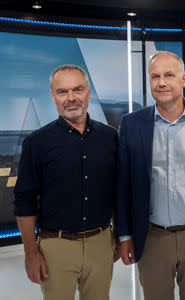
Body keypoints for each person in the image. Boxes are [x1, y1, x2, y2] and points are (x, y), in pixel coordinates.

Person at [115, 50, 185, 300]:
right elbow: (123, 184)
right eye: (155, 76)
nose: (161, 82)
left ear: (184, 79)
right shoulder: (132, 124)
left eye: (169, 75)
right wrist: (124, 235)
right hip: (152, 237)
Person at [14, 64, 118, 300]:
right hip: (55, 247)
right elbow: (24, 201)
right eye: (62, 92)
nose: (71, 98)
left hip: (101, 244)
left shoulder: (110, 136)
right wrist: (31, 253)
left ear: (88, 92)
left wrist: (121, 237)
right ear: (53, 96)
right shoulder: (36, 143)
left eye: (78, 89)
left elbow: (116, 191)